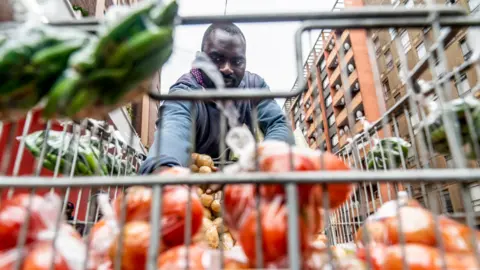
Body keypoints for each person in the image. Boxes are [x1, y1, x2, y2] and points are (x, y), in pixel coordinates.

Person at [140, 23, 295, 174]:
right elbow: (173, 130)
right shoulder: (185, 92)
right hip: (193, 183)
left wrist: (263, 162)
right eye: (216, 58)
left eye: (237, 61)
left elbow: (278, 124)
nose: (227, 68)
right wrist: (164, 170)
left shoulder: (254, 86)